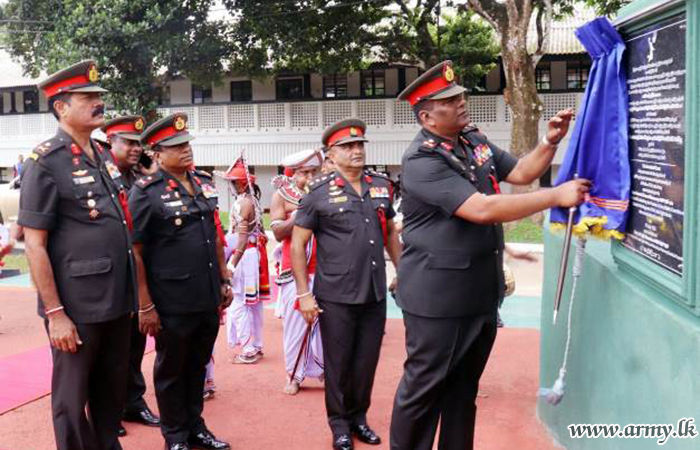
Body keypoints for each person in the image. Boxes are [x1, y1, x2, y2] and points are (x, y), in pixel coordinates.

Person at [388, 60, 591, 450]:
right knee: (424, 389)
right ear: (427, 115)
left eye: (460, 95)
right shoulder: (422, 160)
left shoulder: (472, 140)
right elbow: (481, 208)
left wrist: (549, 142)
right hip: (438, 298)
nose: (462, 102)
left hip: (479, 293)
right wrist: (554, 197)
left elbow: (520, 173)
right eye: (449, 100)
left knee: (464, 390)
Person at [18, 60, 137, 450]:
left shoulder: (102, 153)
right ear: (61, 107)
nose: (97, 104)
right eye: (87, 98)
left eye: (99, 97)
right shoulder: (45, 161)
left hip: (118, 300)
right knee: (71, 400)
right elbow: (34, 244)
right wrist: (55, 314)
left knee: (111, 391)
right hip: (77, 305)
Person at [291, 118, 402, 450]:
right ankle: (339, 424)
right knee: (339, 364)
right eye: (347, 147)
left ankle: (359, 418)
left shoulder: (381, 185)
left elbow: (391, 233)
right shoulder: (317, 194)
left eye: (359, 145)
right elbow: (298, 245)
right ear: (331, 154)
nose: (356, 151)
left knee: (366, 362)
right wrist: (303, 293)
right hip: (335, 294)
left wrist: (402, 269)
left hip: (373, 290)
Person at [129, 113, 232, 450]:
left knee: (198, 364)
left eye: (187, 144)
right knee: (171, 369)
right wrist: (145, 304)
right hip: (171, 299)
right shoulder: (145, 192)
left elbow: (212, 236)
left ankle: (195, 427)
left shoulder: (200, 182)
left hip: (205, 295)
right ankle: (175, 436)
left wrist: (223, 277)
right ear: (157, 154)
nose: (186, 151)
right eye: (176, 146)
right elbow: (136, 252)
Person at [100, 115, 161, 433]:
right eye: (129, 142)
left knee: (135, 341)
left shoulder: (140, 175)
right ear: (112, 142)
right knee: (108, 346)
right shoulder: (100, 174)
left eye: (139, 143)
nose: (136, 148)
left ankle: (132, 402)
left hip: (139, 270)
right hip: (108, 274)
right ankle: (105, 408)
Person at [269, 148, 324, 395]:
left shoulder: (329, 193)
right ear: (294, 174)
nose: (310, 177)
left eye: (314, 171)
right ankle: (294, 375)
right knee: (295, 325)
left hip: (326, 270)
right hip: (295, 271)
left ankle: (325, 370)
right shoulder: (281, 195)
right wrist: (302, 214)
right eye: (304, 173)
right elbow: (279, 232)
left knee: (328, 326)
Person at [218, 159, 269, 364]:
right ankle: (255, 345)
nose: (229, 186)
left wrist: (231, 264)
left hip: (244, 256)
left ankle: (248, 349)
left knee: (239, 303)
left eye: (231, 182)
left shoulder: (243, 203)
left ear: (239, 184)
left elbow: (240, 238)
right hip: (250, 254)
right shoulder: (252, 200)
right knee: (252, 304)